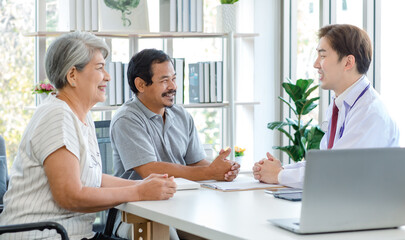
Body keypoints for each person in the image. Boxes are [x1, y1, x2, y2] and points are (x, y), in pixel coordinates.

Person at [0, 32, 177, 240]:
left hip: (70, 234)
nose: (108, 76)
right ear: (73, 75)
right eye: (100, 68)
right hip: (43, 236)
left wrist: (143, 184)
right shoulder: (57, 116)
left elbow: (92, 178)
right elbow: (70, 195)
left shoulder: (80, 115)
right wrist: (139, 192)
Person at [110, 48, 240, 239]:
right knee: (166, 233)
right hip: (136, 212)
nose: (173, 86)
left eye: (174, 78)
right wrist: (209, 172)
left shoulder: (181, 115)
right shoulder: (127, 119)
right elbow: (150, 170)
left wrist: (222, 169)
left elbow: (197, 164)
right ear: (141, 84)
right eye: (164, 80)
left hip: (181, 206)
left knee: (218, 231)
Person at [253, 24, 400, 189]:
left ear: (348, 62)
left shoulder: (370, 112)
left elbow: (336, 172)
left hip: (364, 210)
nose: (316, 64)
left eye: (322, 56)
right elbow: (327, 163)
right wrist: (276, 170)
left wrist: (279, 175)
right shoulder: (341, 104)